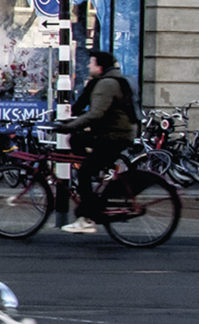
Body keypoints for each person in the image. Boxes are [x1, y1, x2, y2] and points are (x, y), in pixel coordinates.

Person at [55, 51, 138, 235]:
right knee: (77, 140)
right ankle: (95, 176)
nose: (88, 66)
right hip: (115, 133)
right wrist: (70, 124)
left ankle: (87, 218)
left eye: (91, 63)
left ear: (100, 67)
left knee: (84, 173)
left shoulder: (106, 84)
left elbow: (95, 115)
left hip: (113, 136)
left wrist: (66, 126)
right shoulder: (113, 80)